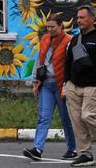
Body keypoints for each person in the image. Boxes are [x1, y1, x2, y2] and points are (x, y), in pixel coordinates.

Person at [62, 5, 96, 166]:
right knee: (77, 121)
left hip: (94, 86)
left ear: (92, 18)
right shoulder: (75, 39)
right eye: (78, 18)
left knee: (88, 116)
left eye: (82, 17)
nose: (78, 20)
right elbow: (68, 62)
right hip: (73, 86)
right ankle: (86, 155)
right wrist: (66, 83)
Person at [23, 13, 78, 161]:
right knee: (43, 118)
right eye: (47, 26)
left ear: (61, 26)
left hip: (62, 86)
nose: (49, 29)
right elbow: (39, 61)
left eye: (52, 27)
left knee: (66, 119)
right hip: (46, 85)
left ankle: (72, 149)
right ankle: (37, 149)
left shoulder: (70, 41)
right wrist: (35, 82)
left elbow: (74, 65)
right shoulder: (45, 39)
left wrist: (70, 85)